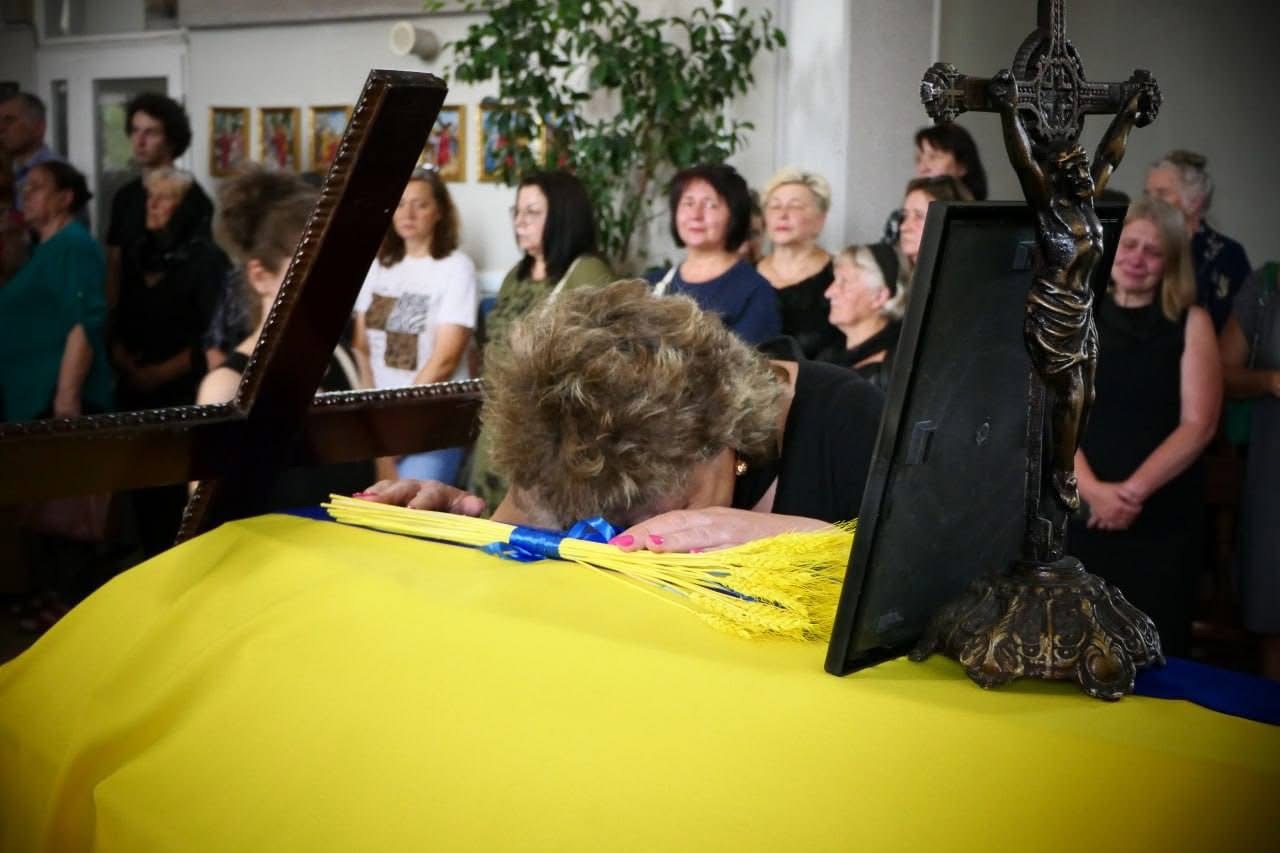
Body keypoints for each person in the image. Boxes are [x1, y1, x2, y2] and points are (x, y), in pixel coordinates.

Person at [361, 280, 884, 553]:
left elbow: (925, 583)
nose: (645, 529)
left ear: (722, 426)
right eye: (619, 517)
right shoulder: (565, 439)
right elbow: (512, 542)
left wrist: (819, 548)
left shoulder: (847, 422)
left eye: (658, 502)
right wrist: (455, 539)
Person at [1068, 198, 1221, 658]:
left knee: (1156, 652)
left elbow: (1199, 425)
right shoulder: (1078, 317)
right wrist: (1094, 492)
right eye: (1129, 245)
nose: (1137, 258)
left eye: (1153, 251)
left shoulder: (1192, 323)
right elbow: (1055, 414)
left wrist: (1130, 495)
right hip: (1081, 509)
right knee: (1077, 644)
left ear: (1171, 262)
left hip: (1161, 515)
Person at [198, 166, 371, 505]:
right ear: (260, 276)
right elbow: (213, 519)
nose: (332, 286)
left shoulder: (350, 361)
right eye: (312, 270)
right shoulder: (226, 387)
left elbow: (383, 479)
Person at [469, 170, 612, 511]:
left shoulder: (588, 273)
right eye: (517, 211)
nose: (520, 222)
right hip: (500, 420)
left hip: (549, 432)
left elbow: (605, 359)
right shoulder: (516, 276)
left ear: (563, 217)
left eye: (532, 212)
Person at [353, 168, 477, 485]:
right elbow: (361, 347)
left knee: (408, 504)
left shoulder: (456, 268)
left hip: (431, 420)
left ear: (439, 212)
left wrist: (397, 425)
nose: (407, 213)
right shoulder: (378, 266)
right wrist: (370, 418)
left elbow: (445, 360)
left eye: (420, 204)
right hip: (378, 423)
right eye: (400, 204)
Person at [0, 161, 112, 422]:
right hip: (26, 398)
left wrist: (67, 396)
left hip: (54, 404)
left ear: (65, 198)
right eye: (24, 187)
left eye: (37, 187)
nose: (26, 194)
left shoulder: (74, 245)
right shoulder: (39, 250)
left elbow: (83, 323)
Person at [111, 167, 225, 411]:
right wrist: (122, 358)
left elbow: (216, 335)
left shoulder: (208, 261)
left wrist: (158, 374)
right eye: (150, 197)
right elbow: (119, 314)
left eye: (163, 198)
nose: (151, 205)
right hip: (131, 387)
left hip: (185, 393)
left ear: (185, 209)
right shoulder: (136, 253)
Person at [1220, 262, 1280, 680]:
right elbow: (1221, 371)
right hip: (1272, 462)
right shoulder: (1267, 287)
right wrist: (1270, 381)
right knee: (1273, 601)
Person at [650, 164, 780, 346]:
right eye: (688, 203)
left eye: (711, 205)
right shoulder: (652, 283)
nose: (695, 215)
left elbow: (751, 362)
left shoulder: (754, 291)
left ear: (735, 216)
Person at [105, 93, 213, 309]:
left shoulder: (191, 197)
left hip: (176, 314)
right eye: (135, 131)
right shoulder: (125, 196)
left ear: (171, 139)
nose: (140, 141)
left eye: (151, 132)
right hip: (129, 314)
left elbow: (200, 270)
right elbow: (114, 264)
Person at [1145, 150, 1251, 332]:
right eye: (1147, 194)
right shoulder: (1139, 249)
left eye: (1161, 194)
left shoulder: (1227, 255)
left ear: (1194, 201)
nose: (1149, 203)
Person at [756, 167, 841, 358]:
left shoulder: (839, 276)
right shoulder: (746, 275)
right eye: (775, 206)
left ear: (820, 219)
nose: (782, 214)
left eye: (795, 206)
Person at [815, 244, 904, 391]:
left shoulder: (889, 370)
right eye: (835, 281)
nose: (829, 292)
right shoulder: (829, 354)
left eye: (844, 282)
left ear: (879, 297)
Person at [883, 122, 987, 243]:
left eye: (933, 157)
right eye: (918, 159)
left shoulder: (986, 221)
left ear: (962, 166)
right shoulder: (899, 219)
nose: (922, 168)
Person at [896, 174, 971, 293]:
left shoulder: (961, 289)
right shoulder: (897, 282)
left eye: (919, 216)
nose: (903, 227)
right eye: (905, 216)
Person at [0, 92, 63, 218]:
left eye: (9, 120)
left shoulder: (56, 174)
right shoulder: (13, 169)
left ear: (38, 127)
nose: (1, 128)